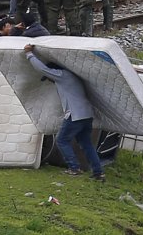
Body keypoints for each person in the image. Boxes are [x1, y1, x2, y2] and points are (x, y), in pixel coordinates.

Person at [23, 44, 105, 181]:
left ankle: (74, 168)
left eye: (49, 78)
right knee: (86, 144)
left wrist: (29, 54)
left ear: (54, 71)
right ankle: (98, 173)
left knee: (61, 140)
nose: (50, 80)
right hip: (86, 115)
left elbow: (42, 69)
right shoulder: (72, 77)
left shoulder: (62, 75)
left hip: (75, 115)